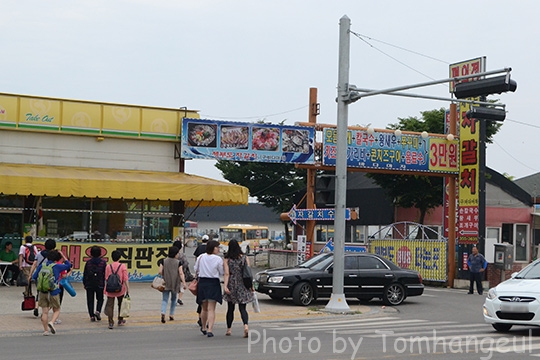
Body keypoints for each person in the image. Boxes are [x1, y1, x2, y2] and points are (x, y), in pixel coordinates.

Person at [31, 249, 72, 336]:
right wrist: (62, 254)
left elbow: (34, 277)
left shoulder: (42, 265)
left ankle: (45, 330)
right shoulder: (57, 266)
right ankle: (52, 322)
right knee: (57, 309)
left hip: (43, 292)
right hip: (53, 291)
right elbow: (69, 265)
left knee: (45, 312)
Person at [194, 239, 224, 338]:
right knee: (212, 308)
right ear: (213, 248)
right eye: (217, 247)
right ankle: (210, 329)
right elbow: (221, 272)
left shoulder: (200, 257)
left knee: (204, 308)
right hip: (213, 283)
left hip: (202, 282)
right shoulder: (218, 259)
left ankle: (203, 327)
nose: (219, 249)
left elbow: (196, 269)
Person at [223, 239, 253, 338]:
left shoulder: (227, 259)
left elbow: (227, 273)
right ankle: (245, 326)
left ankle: (229, 329)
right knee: (242, 308)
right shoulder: (245, 258)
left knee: (230, 308)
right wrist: (251, 286)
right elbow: (248, 273)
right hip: (243, 283)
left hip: (232, 283)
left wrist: (225, 286)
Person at [29, 239, 57, 318]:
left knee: (39, 292)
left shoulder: (39, 254)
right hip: (49, 276)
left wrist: (30, 275)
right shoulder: (53, 255)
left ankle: (36, 307)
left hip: (39, 276)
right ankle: (45, 312)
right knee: (49, 295)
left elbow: (34, 264)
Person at [159, 246, 187, 323]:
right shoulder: (178, 262)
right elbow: (181, 273)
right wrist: (184, 283)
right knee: (174, 299)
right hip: (175, 283)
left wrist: (165, 274)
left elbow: (160, 271)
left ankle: (163, 312)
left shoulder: (163, 261)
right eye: (177, 253)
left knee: (165, 299)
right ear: (175, 254)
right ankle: (171, 314)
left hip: (165, 282)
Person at [104, 250, 130, 329]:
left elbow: (106, 278)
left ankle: (110, 322)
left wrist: (105, 289)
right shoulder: (122, 266)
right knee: (121, 304)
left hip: (110, 289)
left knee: (110, 305)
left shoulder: (108, 266)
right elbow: (125, 279)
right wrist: (128, 289)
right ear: (120, 257)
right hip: (120, 289)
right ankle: (120, 319)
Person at [83, 245, 107, 322]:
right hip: (100, 284)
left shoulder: (88, 263)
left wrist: (85, 283)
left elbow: (85, 274)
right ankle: (98, 311)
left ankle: (92, 316)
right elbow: (105, 274)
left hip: (89, 284)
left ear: (91, 253)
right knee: (100, 299)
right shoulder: (103, 263)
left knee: (90, 300)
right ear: (100, 253)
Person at [193, 234, 209, 326]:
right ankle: (205, 320)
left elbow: (196, 258)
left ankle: (200, 317)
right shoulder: (209, 249)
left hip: (200, 277)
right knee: (208, 302)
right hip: (210, 279)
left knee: (201, 299)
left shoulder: (199, 248)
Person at [172, 240, 190, 305]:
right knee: (182, 285)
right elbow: (186, 263)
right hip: (181, 272)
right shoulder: (182, 255)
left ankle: (174, 298)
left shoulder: (171, 255)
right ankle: (179, 298)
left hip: (172, 273)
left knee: (174, 286)